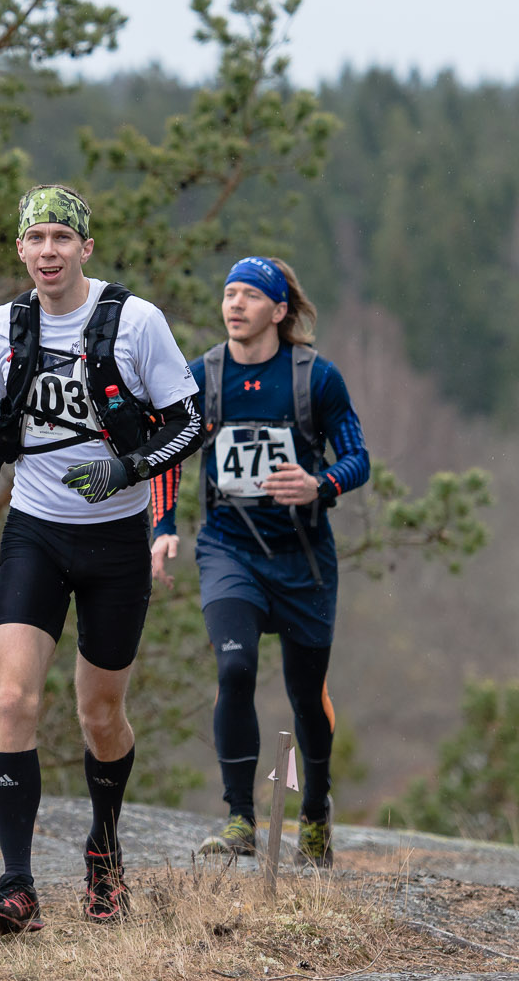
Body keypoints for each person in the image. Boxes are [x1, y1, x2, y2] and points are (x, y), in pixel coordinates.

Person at [0, 185, 204, 934]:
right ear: (20, 249)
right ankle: (16, 884)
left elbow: (190, 422)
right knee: (13, 702)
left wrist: (128, 469)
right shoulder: (4, 325)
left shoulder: (136, 322)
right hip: (35, 533)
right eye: (36, 238)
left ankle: (104, 849)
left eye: (62, 237)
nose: (48, 250)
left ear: (85, 247)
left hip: (115, 543)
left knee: (100, 713)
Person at [158, 256, 368, 869]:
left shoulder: (315, 378)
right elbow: (168, 452)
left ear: (279, 311)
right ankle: (239, 819)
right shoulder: (202, 377)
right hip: (229, 552)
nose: (235, 304)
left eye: (250, 295)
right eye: (229, 293)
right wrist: (163, 528)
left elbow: (357, 457)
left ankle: (315, 814)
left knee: (306, 696)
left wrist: (319, 484)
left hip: (303, 560)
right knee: (235, 669)